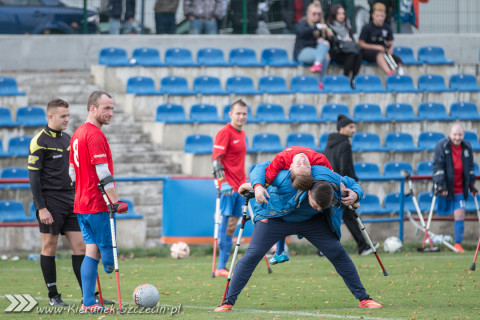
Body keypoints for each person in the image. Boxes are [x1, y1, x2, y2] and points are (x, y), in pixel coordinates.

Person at [214, 162, 382, 312]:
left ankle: (364, 298)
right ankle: (228, 301)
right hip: (275, 217)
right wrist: (255, 186)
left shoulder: (331, 180)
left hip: (310, 222)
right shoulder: (284, 179)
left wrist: (355, 194)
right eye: (316, 205)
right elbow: (261, 168)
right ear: (308, 193)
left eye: (321, 207)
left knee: (337, 252)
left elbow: (352, 183)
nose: (318, 208)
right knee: (252, 255)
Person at [69, 91, 129, 313]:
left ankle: (88, 302)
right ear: (92, 108)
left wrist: (80, 192)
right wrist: (116, 201)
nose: (110, 113)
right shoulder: (94, 135)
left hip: (81, 204)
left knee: (91, 251)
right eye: (106, 108)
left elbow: (72, 173)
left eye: (112, 108)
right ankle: (92, 299)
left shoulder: (76, 134)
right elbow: (102, 171)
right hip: (96, 204)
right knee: (109, 257)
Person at [28, 99, 86, 306]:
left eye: (68, 116)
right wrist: (41, 207)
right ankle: (54, 296)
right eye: (63, 116)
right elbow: (34, 178)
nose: (67, 120)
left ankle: (88, 296)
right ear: (50, 116)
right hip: (49, 201)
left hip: (71, 199)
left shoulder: (69, 139)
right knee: (49, 245)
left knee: (81, 246)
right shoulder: (39, 141)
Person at [251, 146, 333, 264]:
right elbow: (265, 178)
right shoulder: (281, 159)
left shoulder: (320, 159)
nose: (303, 161)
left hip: (297, 198)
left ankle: (280, 251)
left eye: (305, 165)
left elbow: (336, 179)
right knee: (279, 200)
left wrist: (354, 193)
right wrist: (257, 186)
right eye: (299, 165)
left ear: (312, 167)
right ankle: (279, 251)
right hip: (286, 196)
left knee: (284, 208)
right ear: (290, 167)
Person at [324, 115, 379, 255]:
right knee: (349, 216)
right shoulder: (345, 144)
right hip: (342, 185)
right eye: (351, 127)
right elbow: (346, 168)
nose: (354, 130)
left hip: (329, 183)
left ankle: (324, 248)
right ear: (342, 128)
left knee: (334, 216)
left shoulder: (330, 143)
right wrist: (352, 185)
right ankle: (363, 246)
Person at [212, 99, 249, 277]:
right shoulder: (224, 132)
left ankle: (223, 266)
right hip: (228, 187)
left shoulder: (242, 133)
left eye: (244, 114)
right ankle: (220, 267)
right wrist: (222, 182)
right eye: (238, 113)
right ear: (230, 114)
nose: (241, 117)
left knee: (232, 226)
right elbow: (216, 160)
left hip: (240, 187)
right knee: (226, 223)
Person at [433, 124, 477, 253]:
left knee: (460, 213)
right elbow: (438, 167)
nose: (457, 138)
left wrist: (471, 185)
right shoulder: (442, 146)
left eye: (460, 135)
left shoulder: (467, 147)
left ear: (463, 135)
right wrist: (441, 185)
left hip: (460, 188)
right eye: (455, 135)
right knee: (440, 213)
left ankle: (458, 244)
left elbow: (470, 168)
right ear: (450, 134)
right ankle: (430, 241)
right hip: (446, 187)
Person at [293, 0, 334, 90]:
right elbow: (303, 33)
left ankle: (319, 79)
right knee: (324, 54)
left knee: (326, 54)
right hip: (302, 52)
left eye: (319, 14)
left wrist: (329, 37)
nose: (316, 16)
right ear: (308, 13)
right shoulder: (303, 23)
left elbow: (327, 47)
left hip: (317, 53)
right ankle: (318, 66)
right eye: (314, 14)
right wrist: (317, 29)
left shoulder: (322, 27)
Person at [358, 2, 404, 76]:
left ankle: (401, 76)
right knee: (379, 54)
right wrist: (376, 47)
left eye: (382, 16)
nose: (380, 18)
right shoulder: (367, 27)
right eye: (378, 16)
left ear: (385, 16)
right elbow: (361, 43)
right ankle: (390, 74)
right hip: (368, 52)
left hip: (383, 51)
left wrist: (390, 49)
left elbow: (390, 42)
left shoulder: (387, 28)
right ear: (373, 15)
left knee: (398, 60)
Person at [326, 4, 362, 88]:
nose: (342, 16)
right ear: (334, 14)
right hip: (337, 52)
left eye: (343, 13)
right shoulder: (329, 27)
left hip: (348, 51)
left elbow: (352, 41)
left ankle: (353, 78)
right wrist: (343, 40)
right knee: (352, 54)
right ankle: (346, 78)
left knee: (358, 54)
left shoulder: (347, 25)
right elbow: (332, 42)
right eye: (339, 14)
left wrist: (348, 41)